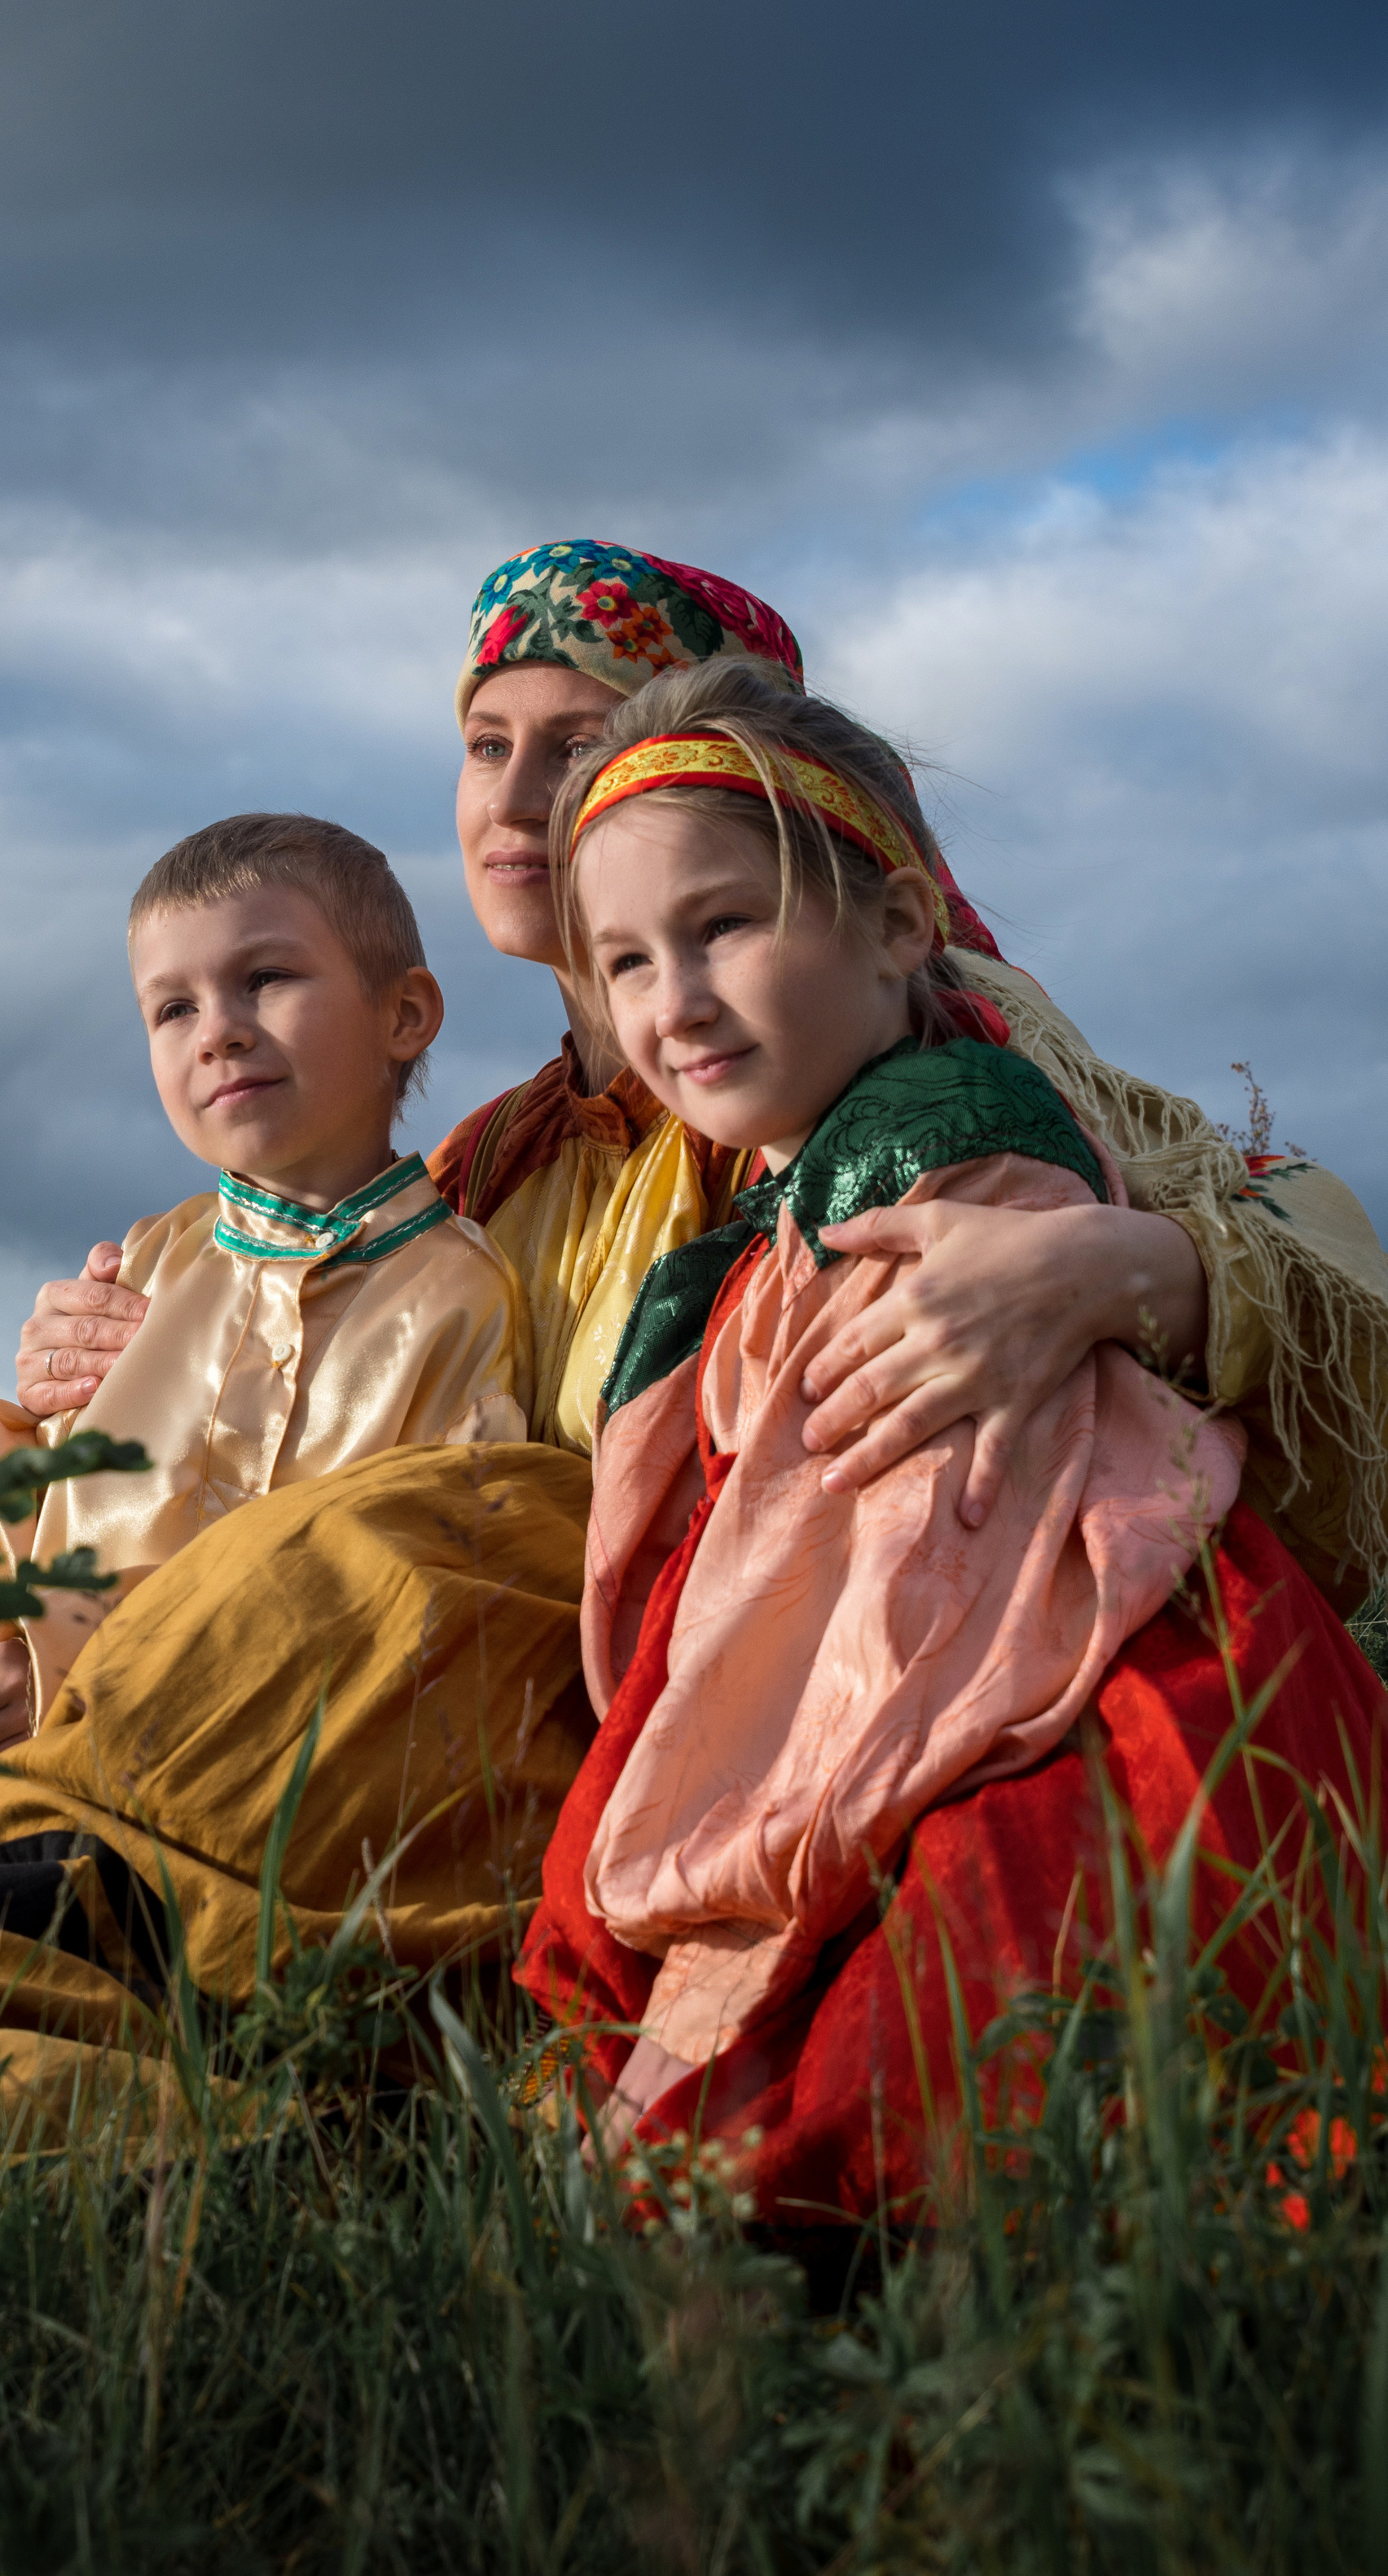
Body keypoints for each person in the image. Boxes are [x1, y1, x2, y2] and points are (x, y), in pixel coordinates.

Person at [18, 540, 1388, 1616]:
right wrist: (138, 1353)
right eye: (487, 744)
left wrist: (1129, 1270)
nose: (513, 798)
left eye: (577, 744)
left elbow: (1300, 1248)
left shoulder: (916, 1053)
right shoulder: (492, 1161)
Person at [514, 660, 1387, 2221]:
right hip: (924, 1670)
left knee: (952, 2055)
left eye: (723, 927)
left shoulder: (936, 1163)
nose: (676, 1002)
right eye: (627, 962)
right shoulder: (783, 1209)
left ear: (903, 924)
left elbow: (921, 1552)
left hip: (1044, 1692)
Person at [0, 818, 590, 2130]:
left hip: (262, 1817)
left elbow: (400, 1599)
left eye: (267, 980)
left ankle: (224, 2133)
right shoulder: (135, 1276)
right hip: (27, 1783)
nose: (219, 1029)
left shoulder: (458, 1299)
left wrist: (77, 1669)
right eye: (172, 1005)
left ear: (406, 1015)